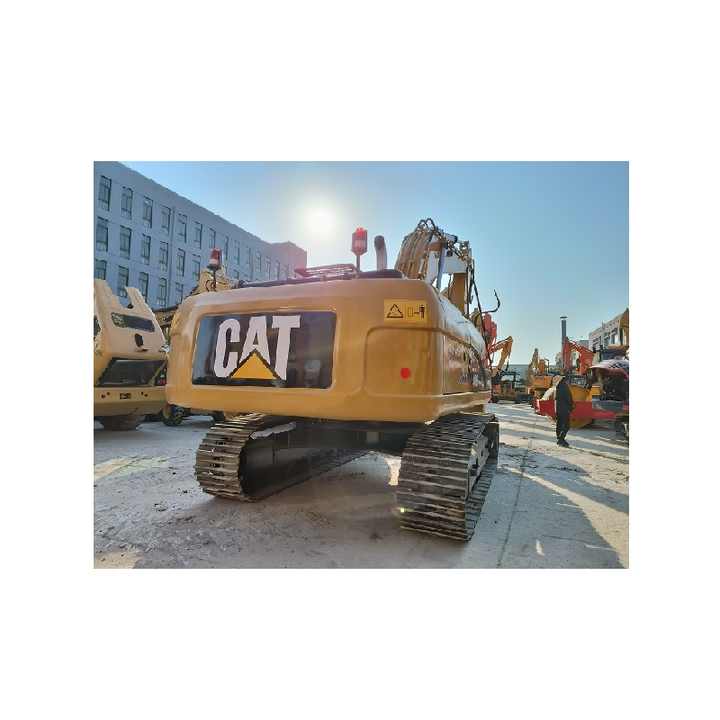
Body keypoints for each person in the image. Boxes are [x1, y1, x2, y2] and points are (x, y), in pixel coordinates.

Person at [554, 374, 575, 447]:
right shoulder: (565, 387)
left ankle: (559, 437)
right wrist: (571, 406)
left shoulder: (558, 387)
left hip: (558, 409)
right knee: (567, 425)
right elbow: (568, 398)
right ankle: (561, 439)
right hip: (564, 409)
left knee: (559, 424)